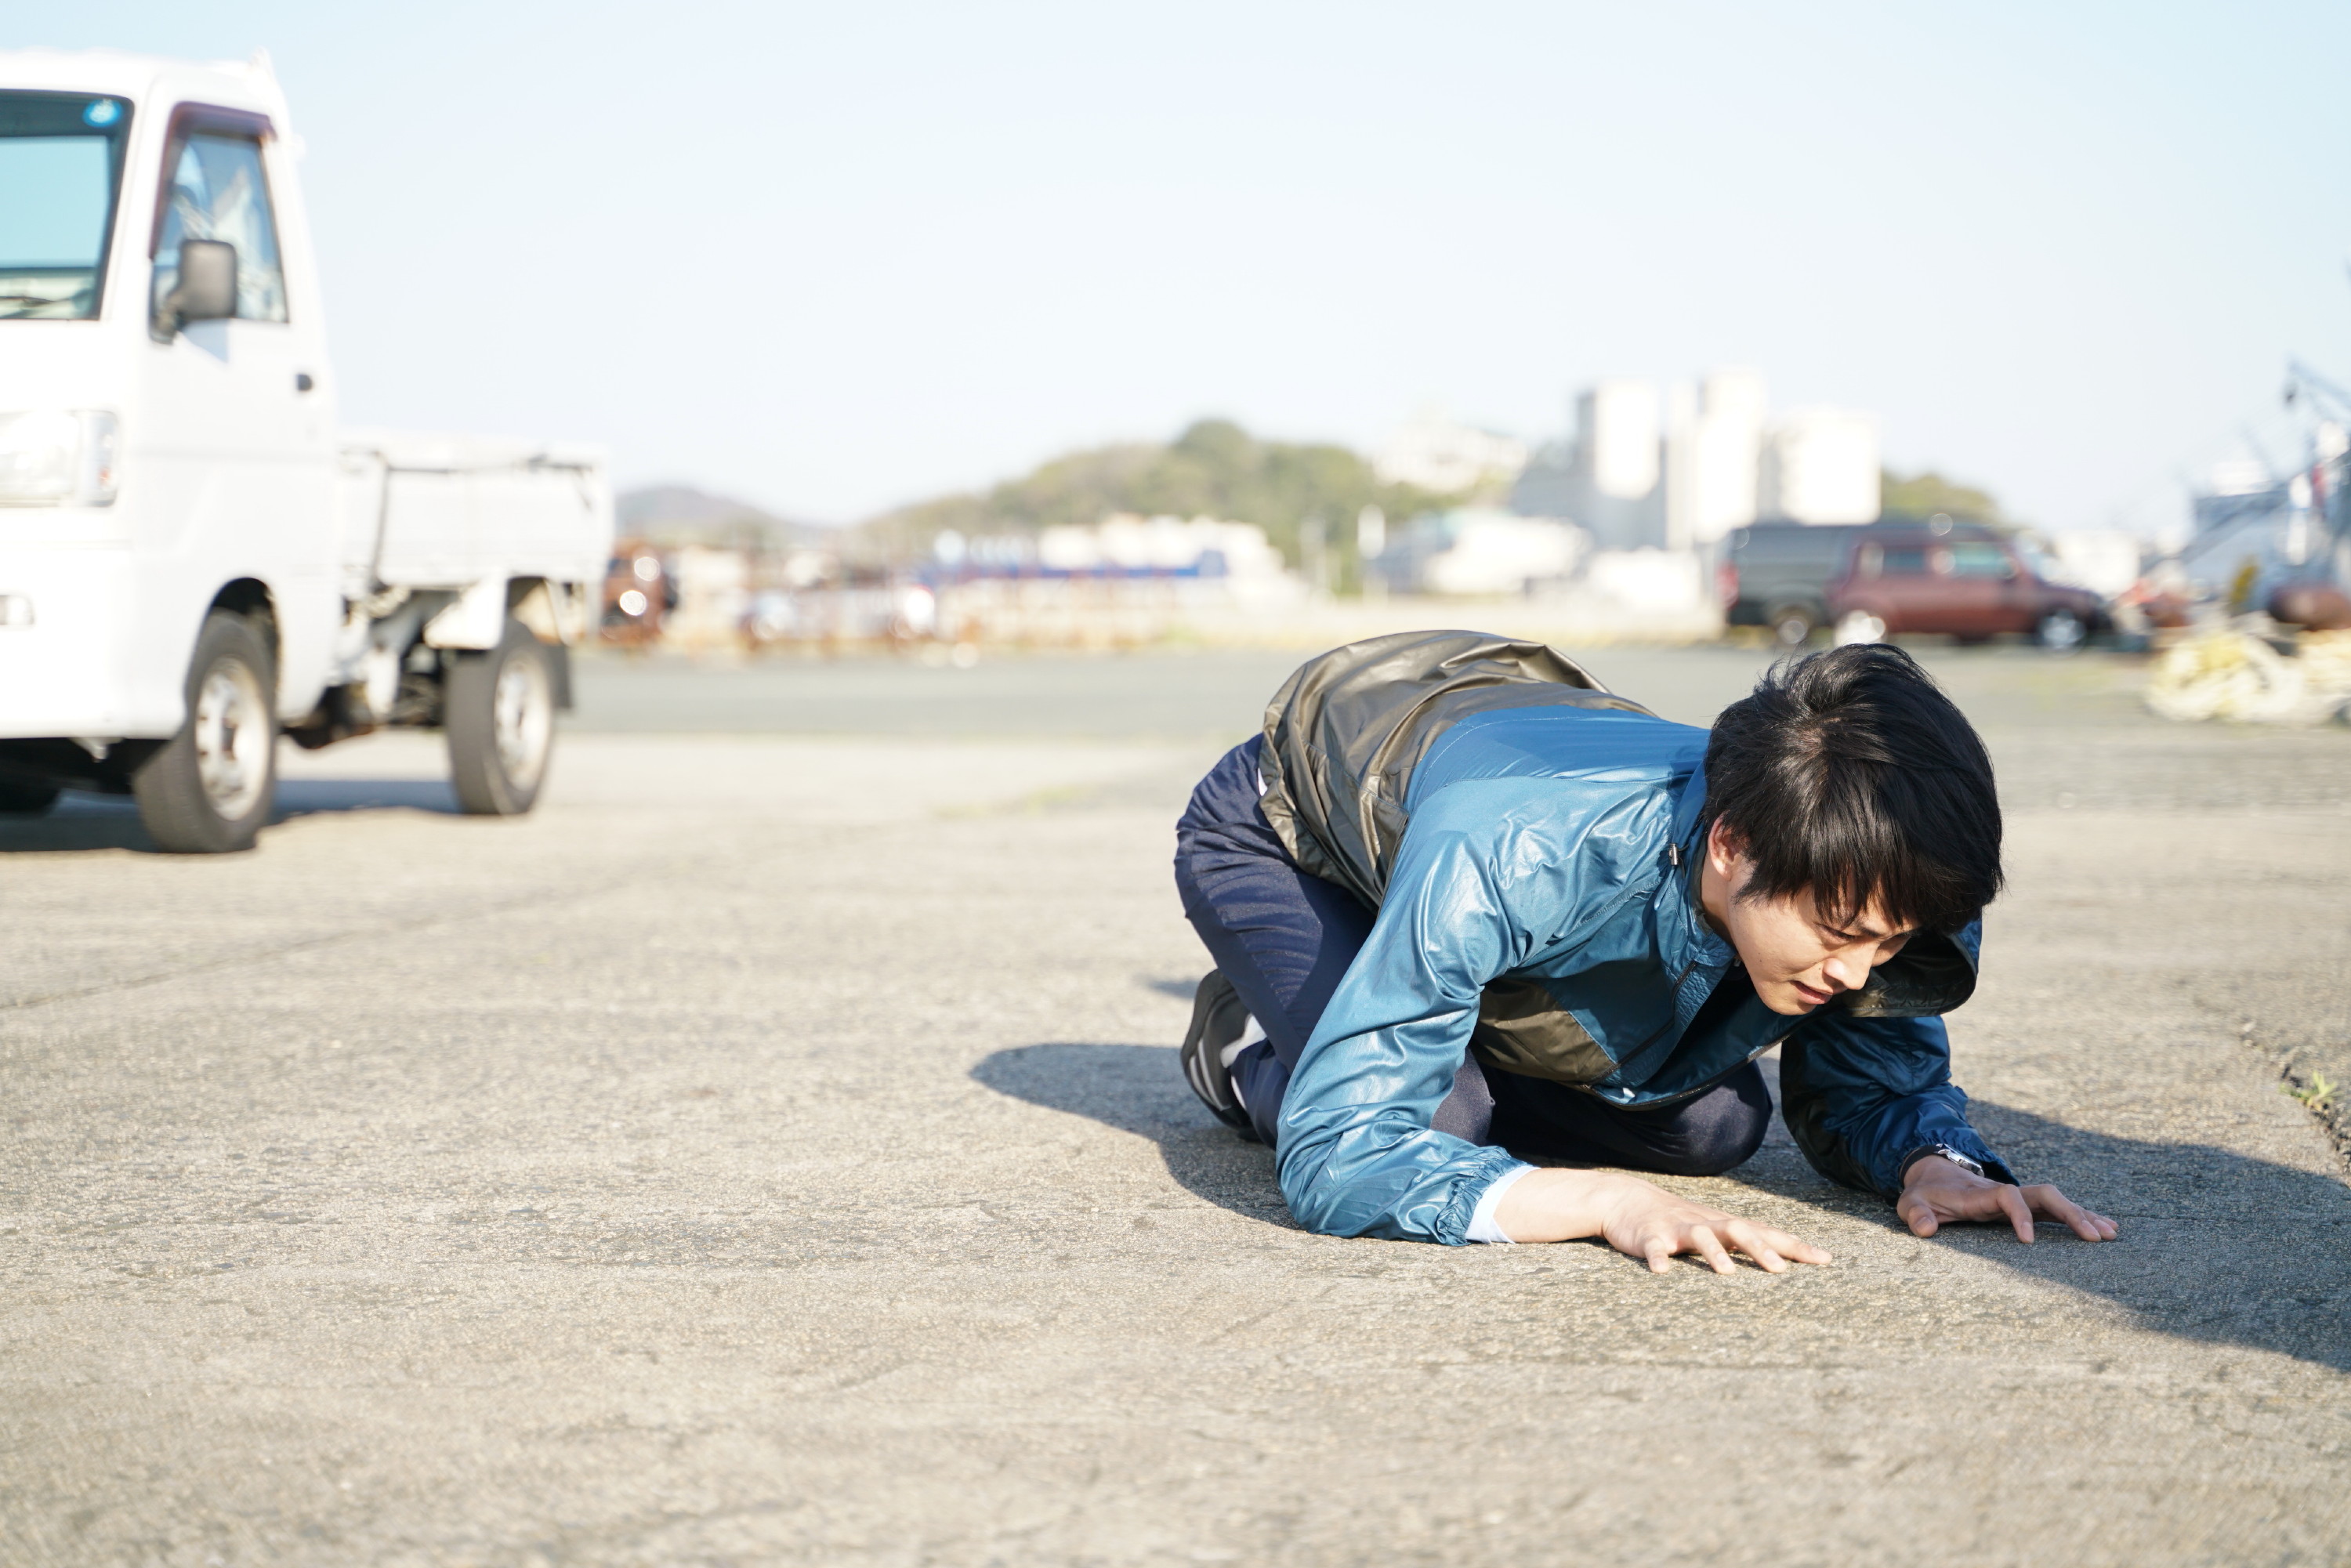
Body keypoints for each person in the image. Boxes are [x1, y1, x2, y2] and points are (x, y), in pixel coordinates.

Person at [1172, 632, 2116, 1271]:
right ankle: (1264, 1050)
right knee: (1440, 1121)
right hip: (1293, 828)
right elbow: (1347, 1156)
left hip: (1490, 837)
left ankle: (1421, 1012)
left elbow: (1875, 1081)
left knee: (1714, 1130)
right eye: (1837, 936)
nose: (1857, 972)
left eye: (1889, 941)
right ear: (1732, 844)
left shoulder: (1878, 864)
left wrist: (1934, 1162)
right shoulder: (1514, 853)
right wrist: (1605, 1201)